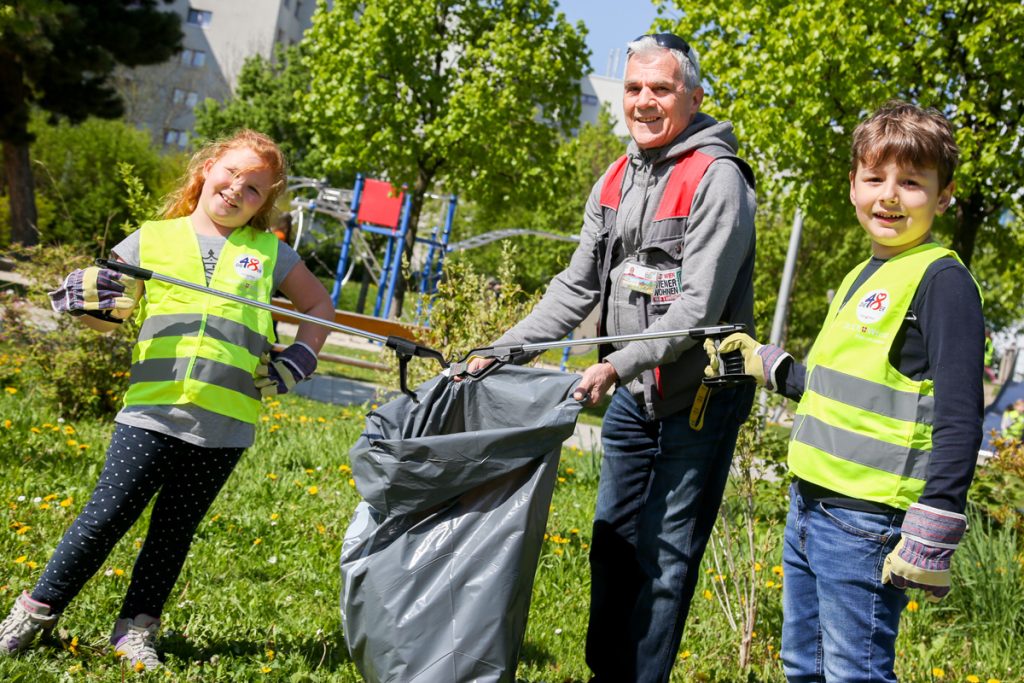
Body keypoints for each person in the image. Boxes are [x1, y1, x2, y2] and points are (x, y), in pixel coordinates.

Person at [466, 32, 757, 683]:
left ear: (694, 96)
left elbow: (697, 309)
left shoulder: (719, 180)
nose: (645, 101)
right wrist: (502, 350)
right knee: (612, 542)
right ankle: (608, 673)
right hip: (633, 394)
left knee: (665, 557)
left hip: (700, 397)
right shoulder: (618, 175)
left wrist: (614, 363)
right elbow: (576, 285)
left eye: (661, 88)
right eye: (633, 88)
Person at [0, 129, 333, 671]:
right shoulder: (149, 240)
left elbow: (319, 306)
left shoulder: (269, 252)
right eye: (232, 174)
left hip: (226, 421)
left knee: (174, 530)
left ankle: (135, 631)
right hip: (152, 412)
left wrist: (300, 357)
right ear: (206, 169)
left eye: (254, 189)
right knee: (104, 518)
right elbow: (109, 320)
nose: (236, 190)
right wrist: (84, 304)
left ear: (263, 203)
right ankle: (35, 613)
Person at [706, 101, 984, 682]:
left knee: (853, 673)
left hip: (867, 520)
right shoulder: (864, 273)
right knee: (802, 667)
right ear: (853, 186)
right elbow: (841, 388)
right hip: (810, 505)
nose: (889, 195)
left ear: (944, 196)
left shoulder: (944, 282)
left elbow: (961, 416)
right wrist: (770, 365)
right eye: (875, 177)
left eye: (911, 182)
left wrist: (935, 525)